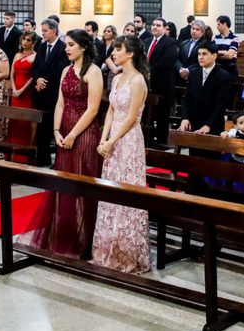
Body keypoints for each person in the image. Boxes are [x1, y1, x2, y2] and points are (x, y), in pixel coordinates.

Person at [22, 29, 104, 258]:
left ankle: (86, 239)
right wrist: (57, 132)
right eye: (66, 44)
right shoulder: (66, 70)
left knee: (83, 183)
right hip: (65, 130)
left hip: (85, 133)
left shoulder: (94, 71)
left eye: (71, 45)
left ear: (84, 47)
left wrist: (73, 135)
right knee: (64, 183)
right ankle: (66, 234)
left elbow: (93, 109)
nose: (66, 48)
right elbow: (60, 104)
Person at [91, 34, 151, 273]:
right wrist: (103, 138)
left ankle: (127, 253)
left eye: (118, 49)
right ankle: (108, 249)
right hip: (113, 138)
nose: (114, 53)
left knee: (127, 189)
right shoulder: (116, 78)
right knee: (110, 189)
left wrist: (112, 141)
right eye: (114, 49)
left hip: (128, 141)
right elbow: (111, 111)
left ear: (130, 53)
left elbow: (132, 118)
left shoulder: (138, 81)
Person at [32, 19, 71, 166]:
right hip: (40, 92)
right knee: (41, 128)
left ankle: (57, 161)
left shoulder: (62, 48)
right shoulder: (41, 46)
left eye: (45, 30)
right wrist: (37, 79)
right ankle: (42, 158)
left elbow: (59, 69)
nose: (42, 33)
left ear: (54, 31)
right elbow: (35, 66)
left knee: (52, 127)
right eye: (42, 31)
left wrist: (44, 82)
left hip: (54, 92)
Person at [178, 42, 233, 135]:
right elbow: (186, 98)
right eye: (199, 54)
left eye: (204, 54)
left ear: (214, 56)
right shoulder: (193, 73)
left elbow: (221, 105)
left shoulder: (224, 76)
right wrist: (185, 118)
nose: (200, 57)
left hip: (213, 126)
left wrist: (208, 125)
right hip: (193, 123)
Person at [142, 17, 178, 146]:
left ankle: (162, 141)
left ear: (164, 28)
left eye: (158, 25)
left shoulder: (170, 43)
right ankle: (149, 139)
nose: (155, 27)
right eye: (153, 25)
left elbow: (166, 61)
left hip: (163, 83)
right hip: (147, 83)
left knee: (162, 114)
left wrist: (149, 72)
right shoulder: (147, 41)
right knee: (147, 113)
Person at [8, 30, 38, 162]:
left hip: (27, 92)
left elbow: (33, 77)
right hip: (15, 92)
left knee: (26, 122)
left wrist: (22, 90)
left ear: (33, 42)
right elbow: (12, 74)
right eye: (24, 39)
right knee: (14, 121)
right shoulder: (17, 55)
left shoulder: (35, 56)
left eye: (28, 40)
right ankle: (11, 153)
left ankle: (24, 155)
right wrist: (14, 89)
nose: (25, 42)